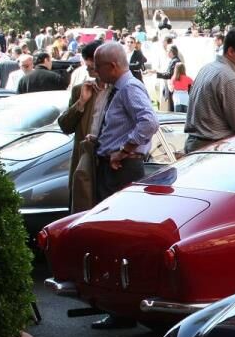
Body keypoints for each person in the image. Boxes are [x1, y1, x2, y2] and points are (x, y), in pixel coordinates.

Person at [90, 40, 159, 211]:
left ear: (112, 66)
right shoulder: (118, 88)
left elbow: (149, 122)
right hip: (115, 167)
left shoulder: (129, 87)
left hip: (122, 168)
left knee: (116, 219)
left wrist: (123, 151)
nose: (96, 71)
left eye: (98, 66)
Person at [185, 28, 235, 152]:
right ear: (231, 51)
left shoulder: (207, 68)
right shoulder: (229, 78)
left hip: (196, 144)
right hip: (212, 148)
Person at [57, 40, 105, 214]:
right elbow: (65, 126)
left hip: (108, 165)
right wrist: (81, 102)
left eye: (93, 67)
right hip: (84, 164)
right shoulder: (81, 90)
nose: (91, 72)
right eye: (88, 68)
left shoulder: (120, 89)